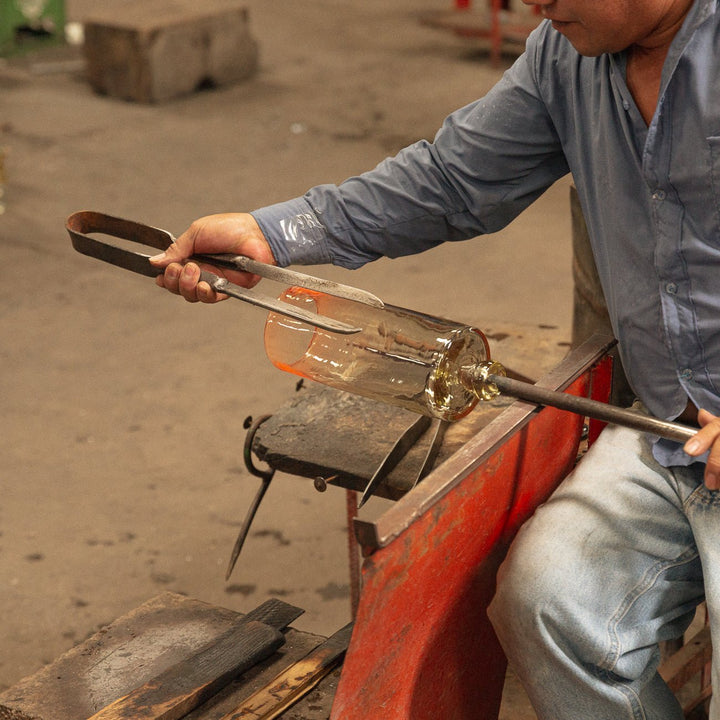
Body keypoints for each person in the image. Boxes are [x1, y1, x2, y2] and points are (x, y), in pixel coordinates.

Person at [150, 0, 720, 716]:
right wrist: (274, 234)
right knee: (546, 603)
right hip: (671, 426)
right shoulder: (564, 56)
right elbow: (451, 178)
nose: (533, 6)